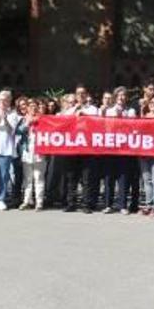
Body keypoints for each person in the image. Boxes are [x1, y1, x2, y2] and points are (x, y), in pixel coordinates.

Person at [62, 85, 99, 213]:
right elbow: (63, 121)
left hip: (87, 148)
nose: (81, 96)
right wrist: (74, 111)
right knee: (71, 177)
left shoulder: (93, 109)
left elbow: (98, 122)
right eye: (78, 93)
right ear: (76, 95)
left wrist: (84, 114)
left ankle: (86, 204)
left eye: (83, 93)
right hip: (72, 148)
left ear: (86, 94)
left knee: (86, 178)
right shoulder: (70, 110)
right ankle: (71, 203)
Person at [102, 86, 139, 214]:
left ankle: (122, 205)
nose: (121, 98)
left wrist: (122, 118)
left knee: (123, 177)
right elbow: (106, 128)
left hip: (125, 148)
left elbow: (133, 127)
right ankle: (108, 204)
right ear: (115, 97)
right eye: (119, 96)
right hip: (111, 147)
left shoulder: (131, 111)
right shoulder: (109, 111)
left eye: (123, 95)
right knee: (109, 178)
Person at [19, 98, 46, 210]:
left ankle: (39, 202)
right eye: (30, 107)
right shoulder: (24, 119)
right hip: (27, 151)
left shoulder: (43, 119)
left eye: (35, 107)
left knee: (38, 177)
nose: (33, 109)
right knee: (28, 178)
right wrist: (27, 123)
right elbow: (19, 131)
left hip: (40, 152)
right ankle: (27, 201)